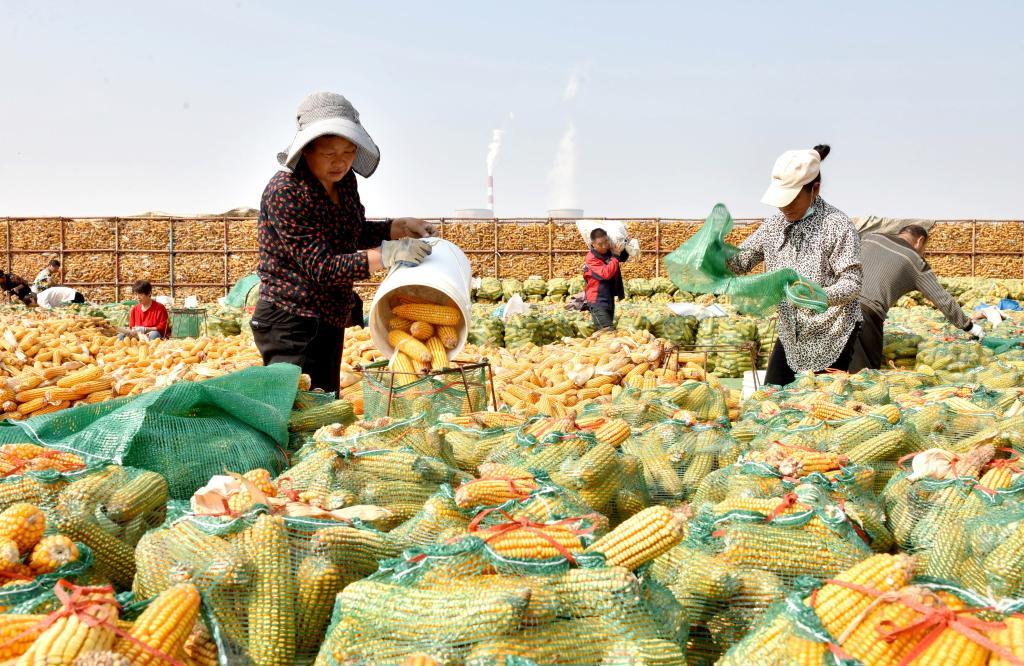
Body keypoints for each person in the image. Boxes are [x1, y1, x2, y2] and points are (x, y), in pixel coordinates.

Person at [253, 92, 434, 395]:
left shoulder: (345, 181)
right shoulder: (286, 191)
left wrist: (396, 228)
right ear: (307, 150)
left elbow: (349, 232)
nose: (341, 162)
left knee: (325, 403)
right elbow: (321, 266)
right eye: (329, 153)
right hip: (290, 323)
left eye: (349, 152)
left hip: (329, 316)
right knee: (298, 413)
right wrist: (389, 254)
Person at [728, 145, 863, 387]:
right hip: (791, 334)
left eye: (792, 198)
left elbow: (852, 282)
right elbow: (741, 261)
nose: (784, 207)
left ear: (815, 190)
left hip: (831, 333)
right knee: (772, 397)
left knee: (815, 406)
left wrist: (820, 295)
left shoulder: (837, 225)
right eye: (780, 200)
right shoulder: (773, 226)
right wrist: (717, 255)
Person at [848, 225, 984, 372]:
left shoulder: (871, 238)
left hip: (832, 304)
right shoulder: (915, 262)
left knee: (827, 368)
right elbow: (942, 299)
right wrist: (968, 326)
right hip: (865, 313)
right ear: (920, 241)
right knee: (862, 376)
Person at [584, 228, 629, 330]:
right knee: (607, 332)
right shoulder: (591, 258)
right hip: (597, 301)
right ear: (593, 244)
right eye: (600, 244)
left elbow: (623, 257)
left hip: (608, 299)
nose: (604, 246)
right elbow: (606, 273)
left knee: (606, 335)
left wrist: (625, 245)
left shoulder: (608, 252)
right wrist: (615, 257)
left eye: (606, 242)